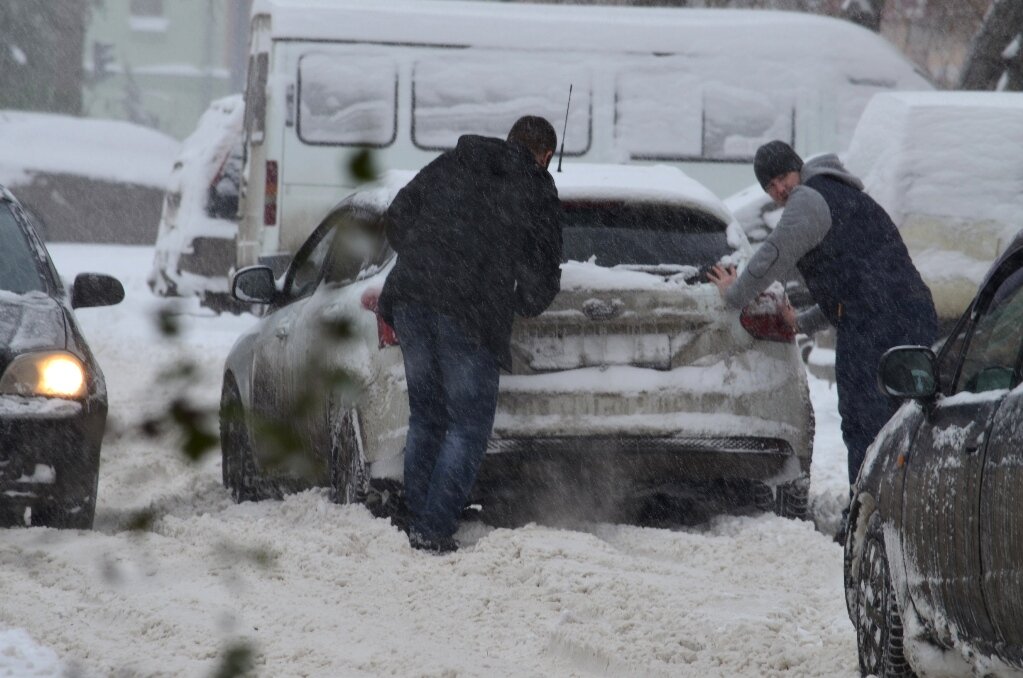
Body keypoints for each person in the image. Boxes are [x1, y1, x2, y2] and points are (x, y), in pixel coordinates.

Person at [708, 140, 937, 527]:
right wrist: (803, 320)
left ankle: (866, 517)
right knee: (906, 417)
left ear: (797, 170)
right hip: (904, 314)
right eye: (770, 187)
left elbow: (774, 255)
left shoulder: (809, 199)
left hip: (879, 323)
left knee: (865, 419)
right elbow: (853, 284)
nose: (779, 190)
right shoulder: (836, 195)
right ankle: (905, 510)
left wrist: (735, 293)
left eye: (782, 178)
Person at [377, 116, 563, 553]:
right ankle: (434, 528)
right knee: (468, 427)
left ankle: (417, 521)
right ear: (546, 155)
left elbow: (398, 216)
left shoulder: (452, 162)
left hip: (410, 299)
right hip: (470, 310)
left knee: (427, 415)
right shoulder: (535, 187)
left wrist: (429, 258)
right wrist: (517, 299)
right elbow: (545, 267)